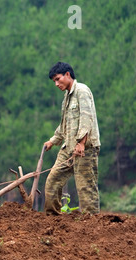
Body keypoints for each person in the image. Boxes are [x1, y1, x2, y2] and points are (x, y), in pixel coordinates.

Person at [43, 62, 101, 215]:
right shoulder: (66, 97)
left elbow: (86, 118)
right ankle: (52, 219)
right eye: (54, 81)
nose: (56, 84)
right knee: (52, 181)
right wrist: (53, 141)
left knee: (85, 187)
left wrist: (81, 142)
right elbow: (64, 126)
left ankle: (92, 223)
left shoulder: (82, 91)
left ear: (67, 74)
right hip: (68, 148)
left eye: (58, 79)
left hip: (85, 149)